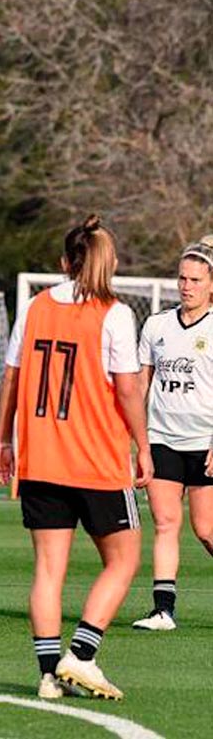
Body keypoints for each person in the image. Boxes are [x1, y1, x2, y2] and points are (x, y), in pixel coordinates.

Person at [0, 214, 151, 701]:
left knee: (48, 569)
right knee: (124, 559)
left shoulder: (35, 305)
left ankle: (46, 676)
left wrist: (3, 442)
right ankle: (80, 655)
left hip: (40, 458)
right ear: (110, 262)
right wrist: (143, 447)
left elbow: (12, 378)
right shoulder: (115, 313)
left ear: (64, 262)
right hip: (97, 460)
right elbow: (125, 391)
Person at [130, 238, 213, 632]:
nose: (186, 286)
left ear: (211, 285)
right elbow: (139, 386)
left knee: (206, 529)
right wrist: (135, 438)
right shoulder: (156, 325)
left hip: (206, 442)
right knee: (165, 523)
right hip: (162, 438)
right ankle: (163, 610)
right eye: (182, 278)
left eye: (195, 279)